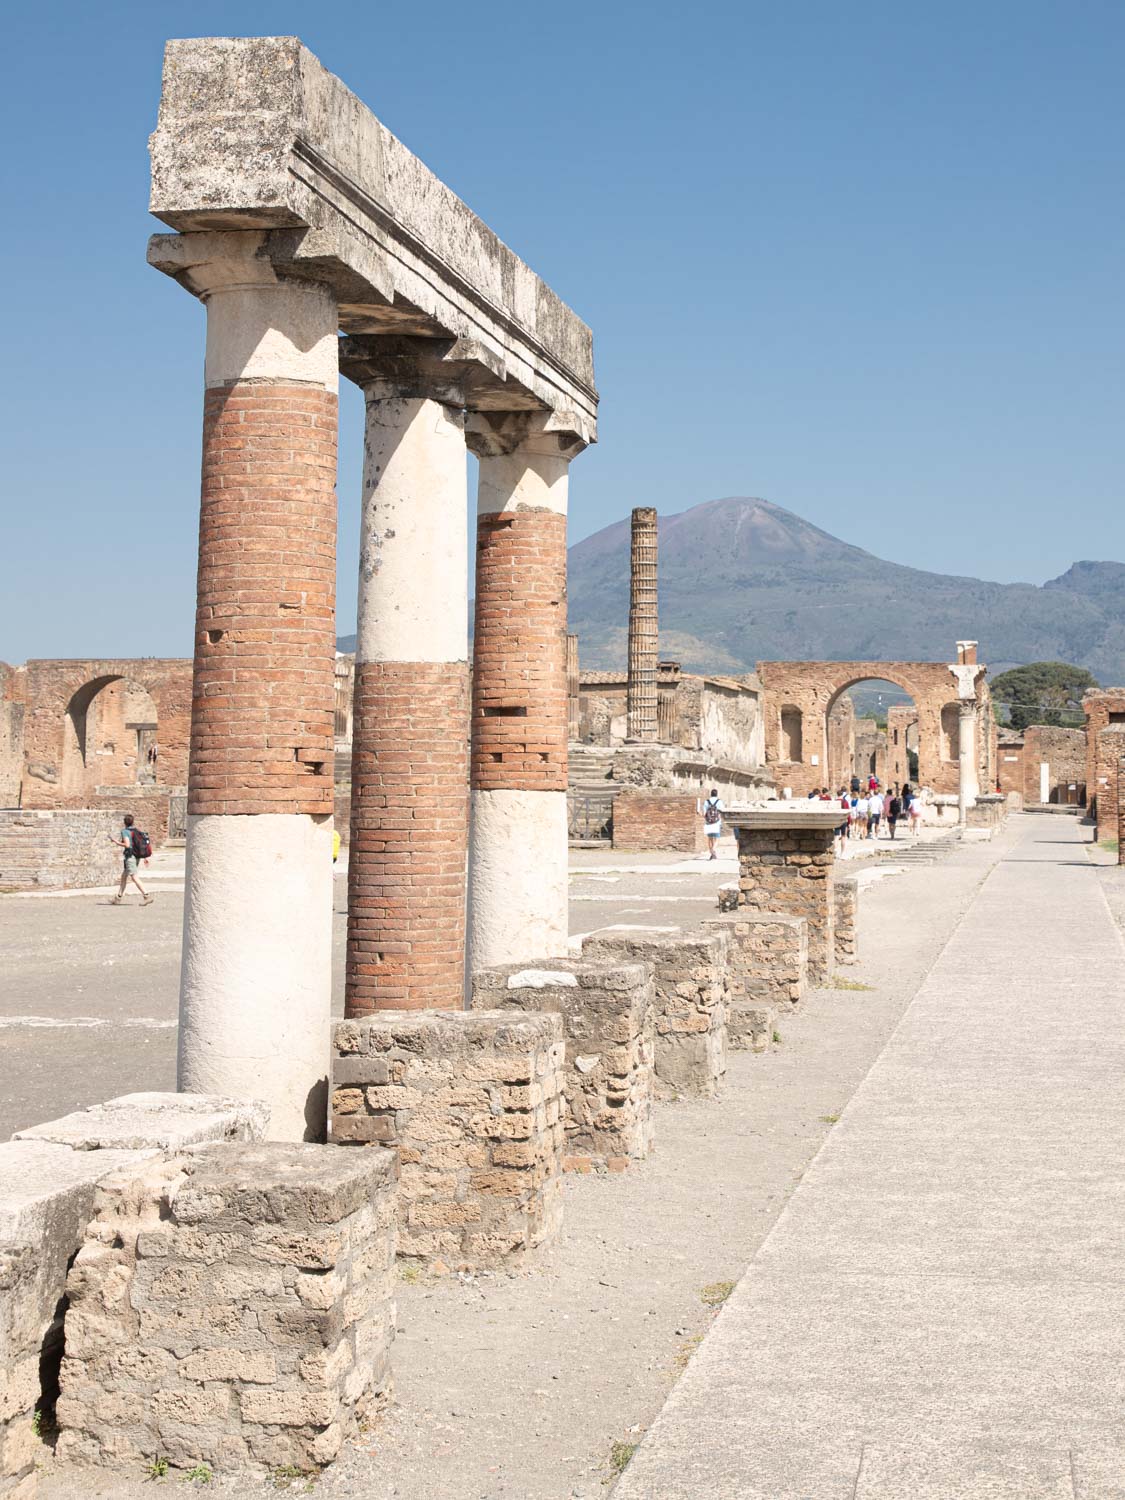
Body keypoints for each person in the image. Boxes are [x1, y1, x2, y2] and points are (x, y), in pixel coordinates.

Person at [111, 814, 152, 905]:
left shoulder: (125, 832)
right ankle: (118, 897)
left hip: (130, 857)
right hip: (136, 856)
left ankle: (146, 895)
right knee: (124, 876)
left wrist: (116, 842)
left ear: (124, 822)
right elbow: (139, 844)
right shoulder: (136, 831)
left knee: (134, 876)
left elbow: (127, 845)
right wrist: (144, 857)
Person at [701, 788, 724, 860]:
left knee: (710, 838)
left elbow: (704, 813)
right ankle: (713, 850)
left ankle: (712, 853)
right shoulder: (719, 801)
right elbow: (723, 811)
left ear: (711, 794)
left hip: (708, 822)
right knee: (717, 838)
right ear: (717, 794)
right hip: (717, 822)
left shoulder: (706, 802)